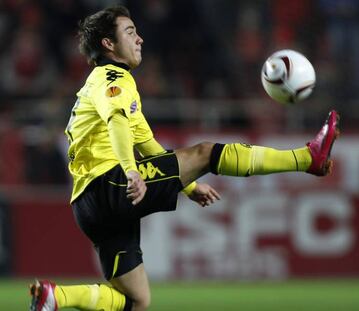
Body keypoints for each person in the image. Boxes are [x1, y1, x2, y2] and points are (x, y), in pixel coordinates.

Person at [29, 5, 339, 311]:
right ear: (108, 45)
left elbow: (147, 144)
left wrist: (188, 187)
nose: (140, 39)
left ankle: (56, 298)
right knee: (205, 153)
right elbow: (118, 125)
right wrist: (130, 171)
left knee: (137, 301)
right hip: (111, 184)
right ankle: (306, 158)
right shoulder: (113, 78)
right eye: (130, 32)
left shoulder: (97, 84)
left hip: (87, 205)